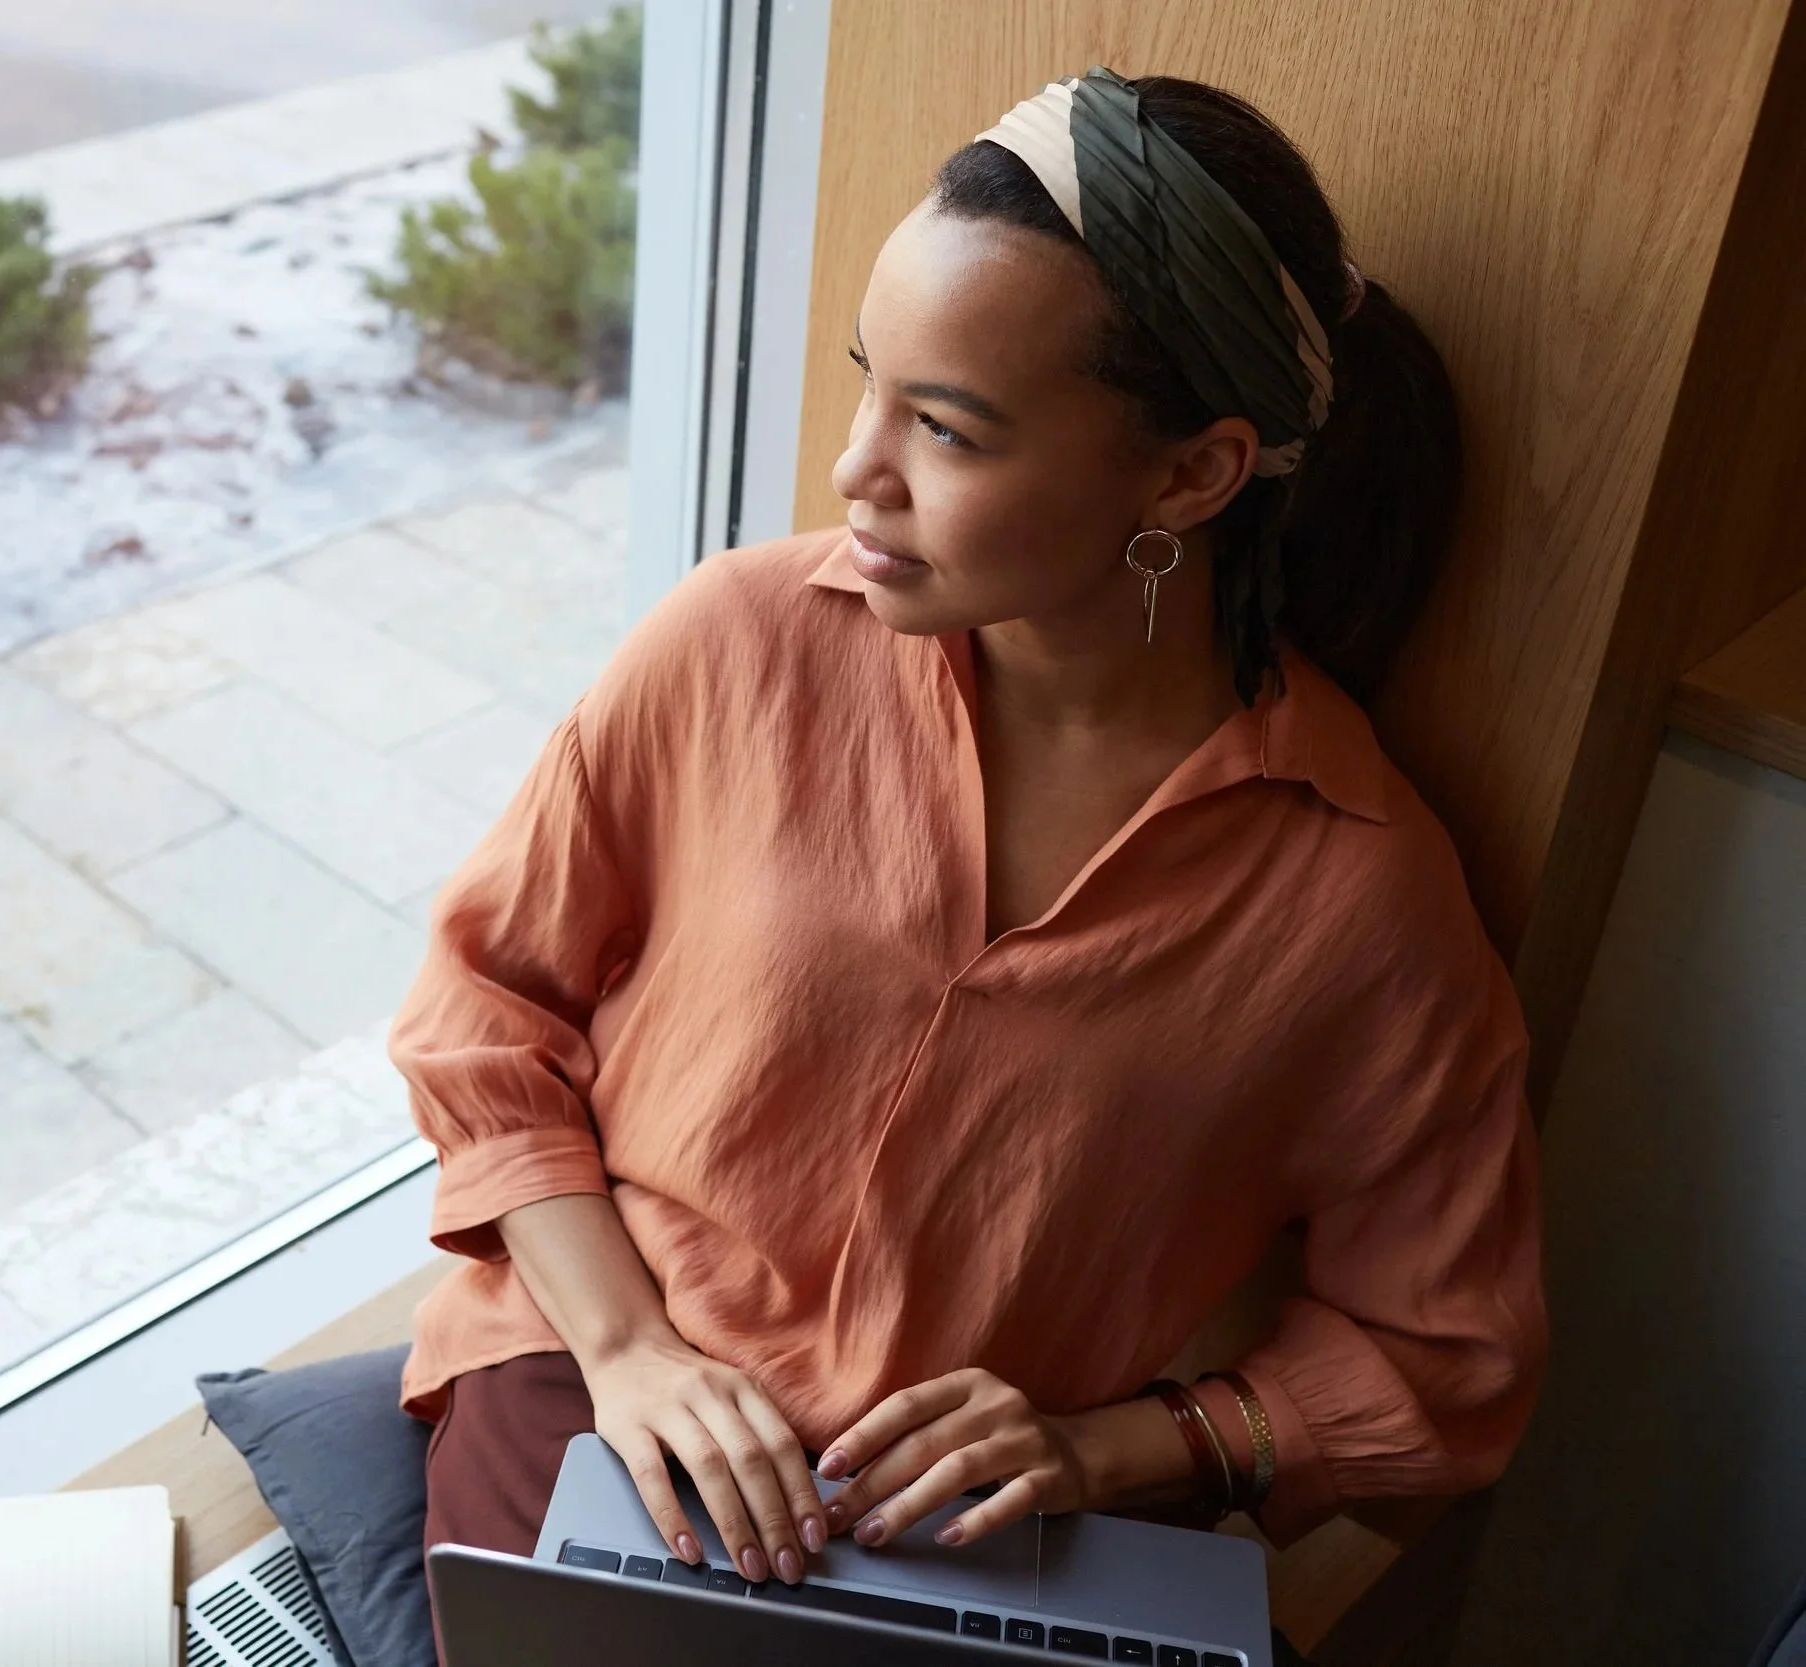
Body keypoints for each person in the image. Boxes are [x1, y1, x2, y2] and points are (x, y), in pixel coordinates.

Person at [391, 67, 1547, 1598]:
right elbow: (483, 1006)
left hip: (969, 1548)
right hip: (599, 1404)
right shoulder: (736, 638)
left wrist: (1105, 1448)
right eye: (873, 380)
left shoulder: (1361, 896)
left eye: (944, 426)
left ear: (1190, 473)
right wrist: (629, 1347)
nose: (856, 469)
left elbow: (1448, 1355)